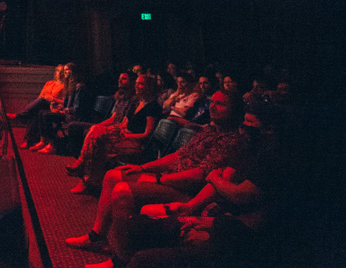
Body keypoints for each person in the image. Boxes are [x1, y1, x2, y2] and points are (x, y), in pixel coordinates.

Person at [65, 90, 244, 259]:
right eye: (212, 102)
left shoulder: (232, 140)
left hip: (188, 190)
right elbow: (177, 155)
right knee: (113, 175)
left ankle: (123, 259)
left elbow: (200, 175)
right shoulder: (209, 130)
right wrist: (143, 168)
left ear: (234, 111)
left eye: (221, 104)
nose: (213, 106)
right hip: (170, 179)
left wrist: (159, 178)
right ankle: (97, 237)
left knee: (122, 192)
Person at [66, 75, 161, 194]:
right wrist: (119, 130)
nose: (136, 86)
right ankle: (88, 178)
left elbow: (147, 134)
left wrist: (126, 136)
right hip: (125, 136)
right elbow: (125, 123)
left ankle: (86, 177)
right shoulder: (137, 102)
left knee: (97, 143)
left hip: (135, 142)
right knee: (95, 130)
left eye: (140, 84)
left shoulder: (153, 107)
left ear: (149, 87)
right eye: (136, 83)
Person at [16, 64, 67, 149]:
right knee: (36, 112)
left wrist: (52, 99)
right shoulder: (49, 83)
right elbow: (40, 96)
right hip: (44, 106)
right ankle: (29, 141)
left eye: (61, 71)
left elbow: (65, 102)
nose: (59, 73)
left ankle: (21, 116)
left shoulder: (65, 86)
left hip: (54, 106)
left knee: (42, 101)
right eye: (58, 71)